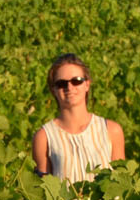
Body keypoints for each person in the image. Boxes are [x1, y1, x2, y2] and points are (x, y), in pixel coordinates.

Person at [31, 53, 126, 183]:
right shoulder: (44, 137)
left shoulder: (111, 130)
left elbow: (121, 183)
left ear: (87, 84)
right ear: (53, 90)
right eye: (61, 83)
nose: (69, 87)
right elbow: (42, 189)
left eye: (76, 81)